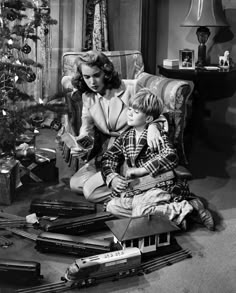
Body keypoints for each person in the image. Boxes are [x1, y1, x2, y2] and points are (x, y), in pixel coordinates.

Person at [101, 88, 215, 231]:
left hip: (158, 185)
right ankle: (181, 216)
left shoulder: (156, 134)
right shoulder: (125, 137)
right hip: (136, 189)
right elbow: (108, 157)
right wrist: (113, 177)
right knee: (111, 207)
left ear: (148, 119)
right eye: (130, 109)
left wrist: (142, 170)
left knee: (140, 212)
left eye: (136, 112)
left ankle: (186, 207)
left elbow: (171, 156)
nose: (130, 113)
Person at [69, 51, 167, 203]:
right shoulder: (87, 96)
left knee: (91, 192)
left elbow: (159, 111)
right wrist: (81, 144)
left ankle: (133, 192)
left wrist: (153, 126)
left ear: (106, 72)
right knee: (75, 185)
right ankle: (135, 189)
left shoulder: (131, 88)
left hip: (132, 149)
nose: (92, 82)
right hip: (105, 150)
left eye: (96, 75)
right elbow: (86, 127)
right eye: (86, 77)